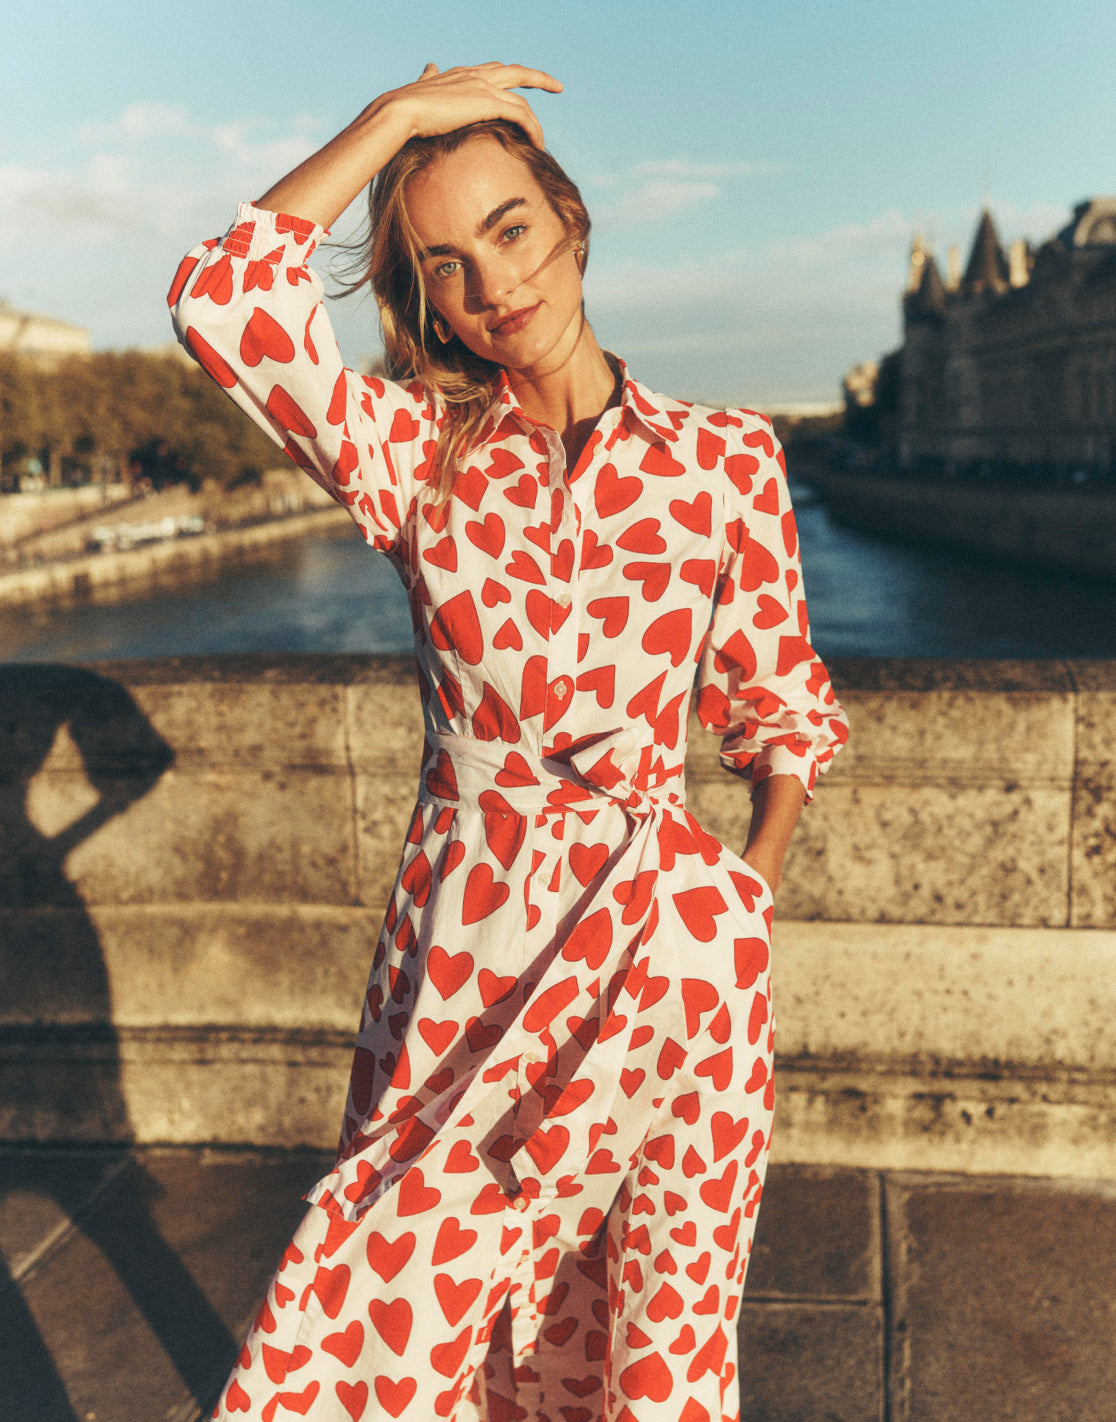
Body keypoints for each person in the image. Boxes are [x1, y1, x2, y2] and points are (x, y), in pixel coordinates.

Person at [169, 61, 848, 1422]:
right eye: (448, 264)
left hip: (674, 955)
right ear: (426, 297)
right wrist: (394, 125)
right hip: (467, 963)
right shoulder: (413, 455)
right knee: (408, 1320)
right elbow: (220, 300)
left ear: (572, 220)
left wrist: (744, 888)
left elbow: (779, 704)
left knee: (659, 1329)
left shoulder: (726, 460)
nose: (495, 285)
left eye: (512, 228)